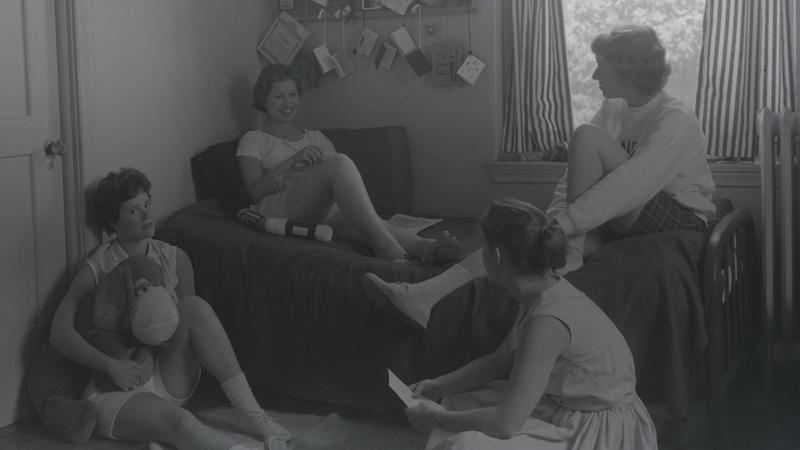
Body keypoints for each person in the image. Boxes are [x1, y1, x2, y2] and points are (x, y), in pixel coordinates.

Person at [362, 24, 716, 328]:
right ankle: (424, 296)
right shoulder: (613, 109)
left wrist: (567, 226)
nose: (594, 76)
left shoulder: (675, 119)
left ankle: (569, 254)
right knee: (521, 240)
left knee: (585, 137)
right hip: (626, 211)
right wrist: (553, 222)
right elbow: (578, 178)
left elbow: (630, 186)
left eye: (600, 67)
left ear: (628, 70)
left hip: (675, 216)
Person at [50, 168, 290, 450]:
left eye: (147, 205)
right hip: (113, 385)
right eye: (133, 211)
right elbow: (59, 333)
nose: (147, 216)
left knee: (193, 307)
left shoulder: (174, 257)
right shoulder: (99, 265)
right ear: (112, 222)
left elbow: (182, 328)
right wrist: (112, 366)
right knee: (182, 424)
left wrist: (148, 353)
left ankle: (250, 414)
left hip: (165, 372)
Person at [403, 198, 658, 450]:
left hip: (600, 429)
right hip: (568, 405)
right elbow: (499, 361)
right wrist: (438, 384)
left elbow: (505, 424)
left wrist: (435, 419)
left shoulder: (548, 320)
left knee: (463, 444)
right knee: (457, 401)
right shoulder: (539, 292)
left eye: (482, 248)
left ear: (497, 255)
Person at [237, 64, 460, 264]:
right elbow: (254, 193)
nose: (288, 103)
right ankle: (386, 249)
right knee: (340, 162)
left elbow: (339, 185)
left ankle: (426, 247)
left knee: (368, 223)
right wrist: (292, 162)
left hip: (322, 212)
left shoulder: (315, 137)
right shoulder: (254, 139)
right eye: (279, 97)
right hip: (281, 210)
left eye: (292, 94)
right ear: (263, 99)